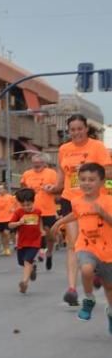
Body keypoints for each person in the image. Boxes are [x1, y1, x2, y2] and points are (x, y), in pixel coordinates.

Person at [52, 114, 112, 307]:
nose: (76, 132)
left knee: (97, 240)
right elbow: (61, 179)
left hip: (95, 202)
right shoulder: (64, 149)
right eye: (72, 129)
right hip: (71, 199)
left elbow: (109, 171)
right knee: (73, 243)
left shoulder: (97, 147)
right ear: (68, 131)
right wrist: (52, 188)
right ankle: (72, 289)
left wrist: (86, 170)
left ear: (86, 129)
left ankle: (96, 270)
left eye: (80, 128)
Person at [51, 162, 112, 329]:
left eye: (91, 179)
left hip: (108, 249)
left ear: (101, 181)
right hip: (85, 244)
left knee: (109, 287)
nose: (86, 183)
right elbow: (75, 214)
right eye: (83, 179)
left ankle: (111, 312)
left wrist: (103, 214)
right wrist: (59, 222)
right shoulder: (77, 201)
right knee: (86, 269)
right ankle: (89, 298)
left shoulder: (108, 200)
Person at [20, 152, 59, 271]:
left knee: (50, 235)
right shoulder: (27, 174)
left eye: (39, 163)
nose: (36, 165)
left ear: (44, 163)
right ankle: (34, 258)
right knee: (34, 234)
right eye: (34, 163)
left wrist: (51, 189)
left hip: (48, 210)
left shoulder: (52, 173)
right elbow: (22, 189)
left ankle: (49, 253)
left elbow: (59, 191)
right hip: (32, 211)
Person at [9, 188, 44, 294]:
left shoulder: (38, 211)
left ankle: (24, 282)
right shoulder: (18, 212)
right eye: (23, 205)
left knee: (27, 260)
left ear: (33, 202)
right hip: (22, 242)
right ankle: (32, 268)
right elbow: (10, 225)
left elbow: (40, 221)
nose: (26, 207)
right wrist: (18, 223)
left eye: (28, 205)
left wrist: (42, 231)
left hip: (35, 241)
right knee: (22, 262)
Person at [0, 183, 17, 256]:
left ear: (5, 190)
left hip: (8, 218)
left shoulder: (10, 197)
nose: (0, 190)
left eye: (1, 189)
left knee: (7, 233)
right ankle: (5, 249)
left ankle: (8, 248)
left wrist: (13, 209)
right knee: (2, 234)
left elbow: (16, 205)